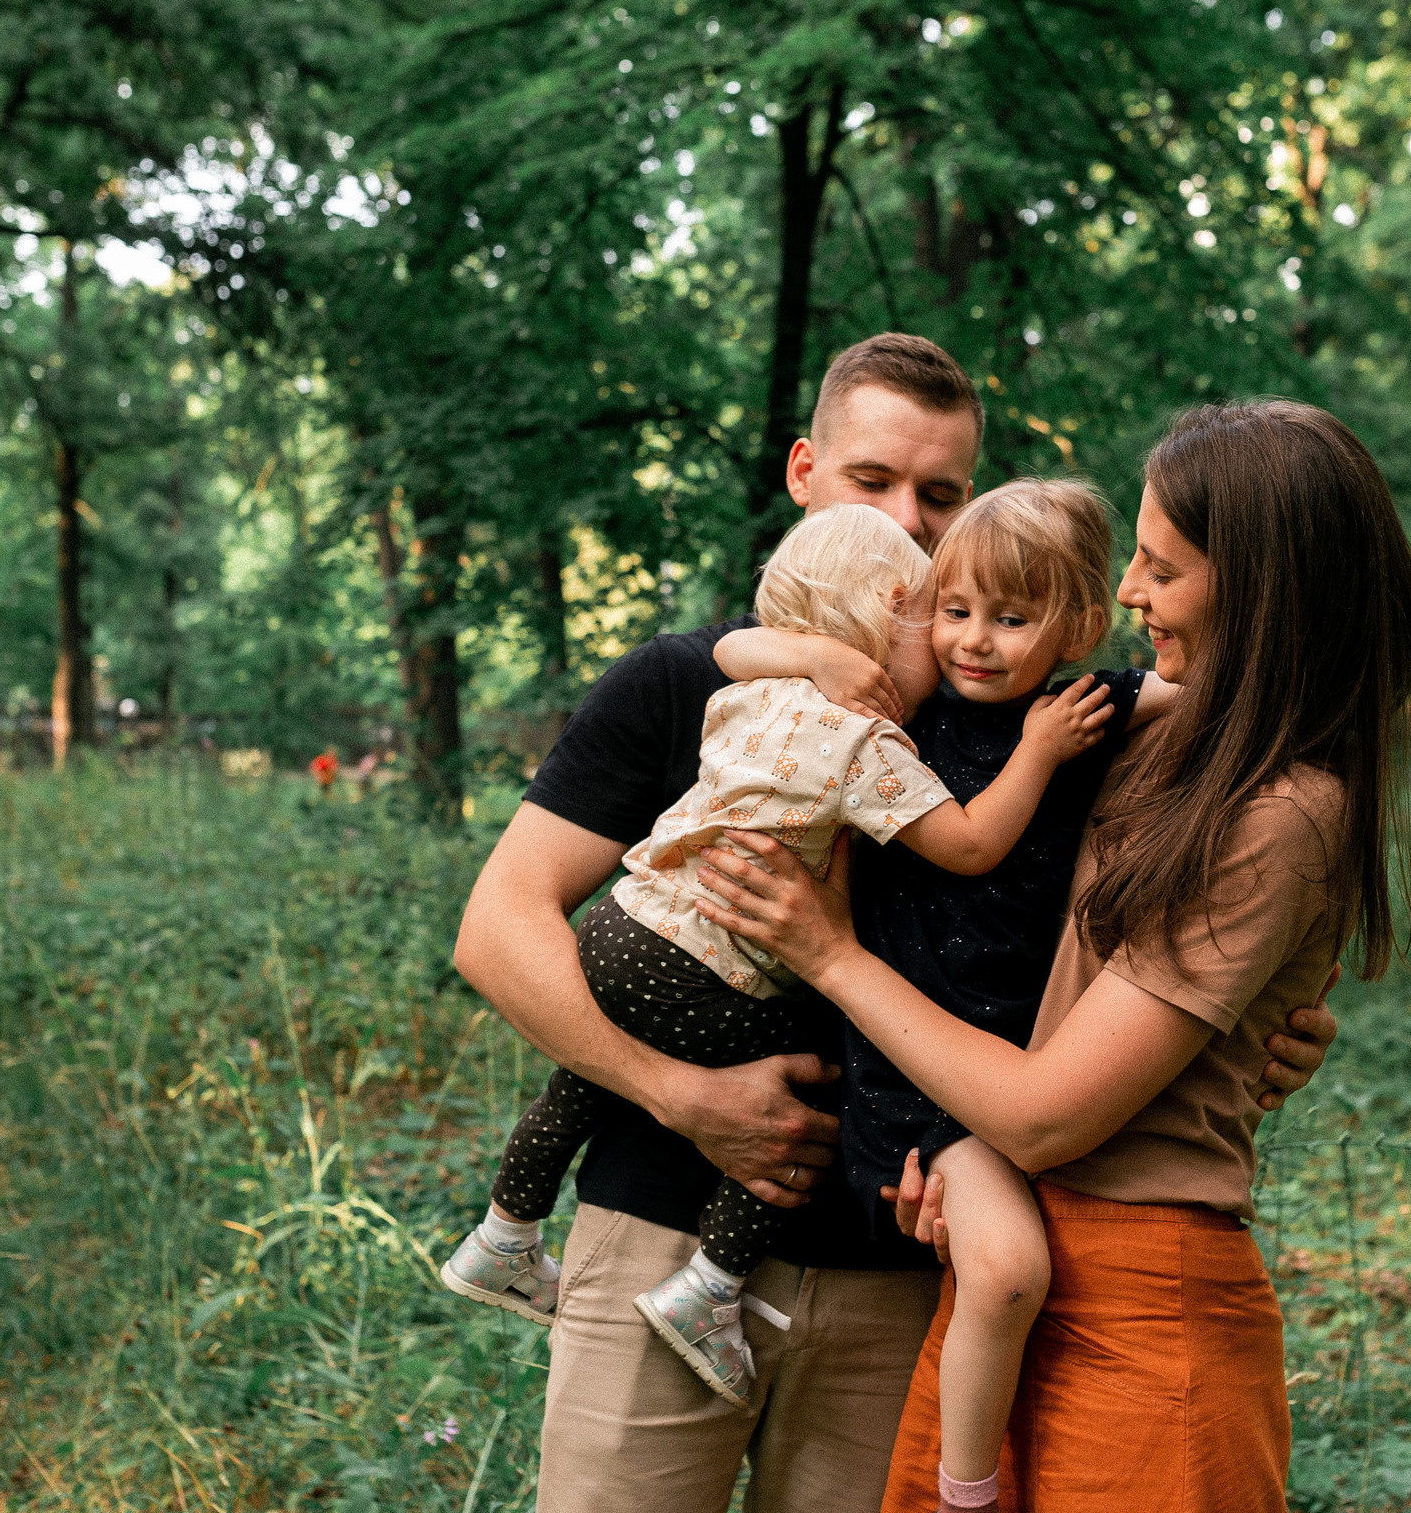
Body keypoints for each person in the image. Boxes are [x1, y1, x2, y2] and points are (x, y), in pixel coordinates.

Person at [450, 341, 1342, 1513]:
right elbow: (499, 928)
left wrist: (1262, 1022)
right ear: (804, 473)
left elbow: (1143, 918)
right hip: (662, 1234)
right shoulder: (698, 681)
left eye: (942, 493)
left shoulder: (1025, 706)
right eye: (874, 481)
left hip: (897, 1263)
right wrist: (685, 1096)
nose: (910, 522)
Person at [693, 399, 1411, 1513]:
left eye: (1162, 567)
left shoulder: (1283, 803)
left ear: (1261, 592)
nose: (1131, 591)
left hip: (1142, 1310)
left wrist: (831, 954)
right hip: (1002, 1273)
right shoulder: (1152, 740)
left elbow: (1046, 1112)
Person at [440, 503, 1118, 1408]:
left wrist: (809, 654)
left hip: (627, 924)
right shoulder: (867, 742)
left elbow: (733, 649)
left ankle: (503, 1231)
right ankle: (709, 1284)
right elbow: (967, 845)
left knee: (576, 1085)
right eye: (939, 613)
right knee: (815, 1093)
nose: (957, 637)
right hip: (713, 977)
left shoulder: (751, 691)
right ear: (893, 614)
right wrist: (1034, 751)